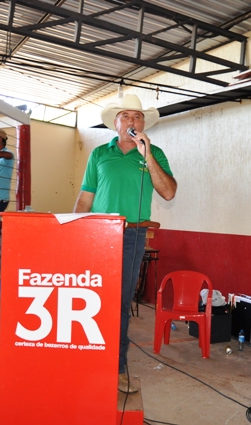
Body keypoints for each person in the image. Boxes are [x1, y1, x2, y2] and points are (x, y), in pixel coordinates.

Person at [73, 94, 177, 393]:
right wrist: (75, 231)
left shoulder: (154, 153)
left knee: (119, 303)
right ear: (116, 123)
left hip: (132, 235)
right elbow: (86, 197)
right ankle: (87, 359)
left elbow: (168, 192)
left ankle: (116, 367)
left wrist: (147, 155)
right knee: (90, 299)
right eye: (126, 116)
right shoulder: (99, 153)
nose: (133, 121)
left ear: (143, 124)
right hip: (97, 234)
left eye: (138, 117)